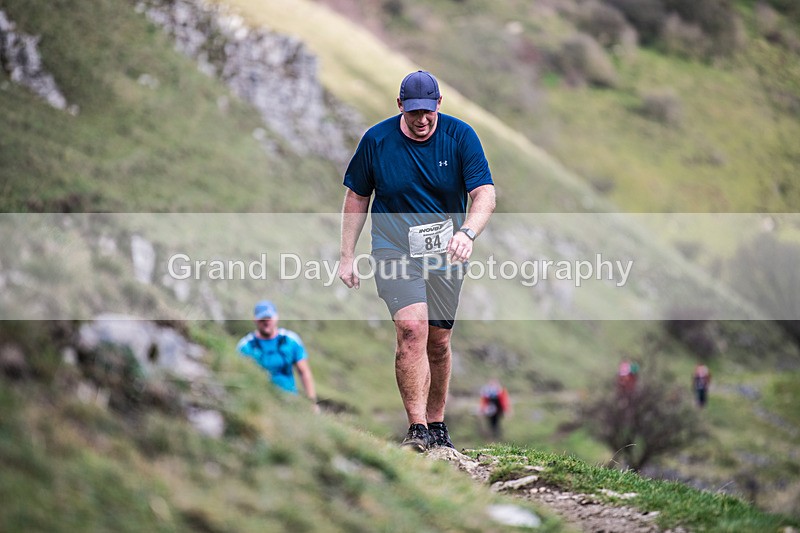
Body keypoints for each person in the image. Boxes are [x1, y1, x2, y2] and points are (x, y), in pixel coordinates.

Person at [338, 70, 496, 452]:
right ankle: (417, 429)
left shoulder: (460, 137)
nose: (422, 120)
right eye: (413, 113)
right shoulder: (376, 141)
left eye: (428, 112)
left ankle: (438, 423)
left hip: (447, 255)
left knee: (438, 343)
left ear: (439, 104)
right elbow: (357, 197)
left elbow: (484, 194)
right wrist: (347, 255)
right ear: (400, 107)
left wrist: (467, 233)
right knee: (412, 330)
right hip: (393, 250)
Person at [237, 300, 319, 409]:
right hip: (259, 402)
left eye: (269, 318)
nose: (266, 322)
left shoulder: (291, 340)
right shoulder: (245, 346)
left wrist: (312, 402)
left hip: (290, 400)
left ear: (276, 318)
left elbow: (304, 372)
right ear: (255, 320)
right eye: (262, 319)